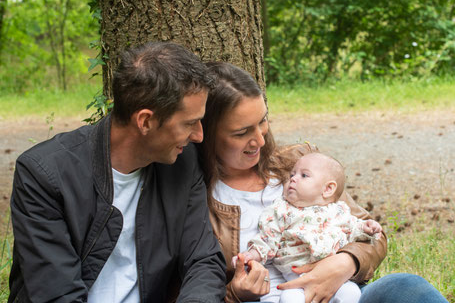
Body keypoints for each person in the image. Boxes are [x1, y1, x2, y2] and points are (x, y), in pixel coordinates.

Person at [198, 61, 449, 303]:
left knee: (407, 287)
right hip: (273, 297)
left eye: (262, 121)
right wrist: (234, 295)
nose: (260, 141)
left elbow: (371, 236)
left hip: (342, 293)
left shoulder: (299, 162)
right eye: (242, 133)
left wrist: (345, 262)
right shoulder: (197, 198)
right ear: (205, 133)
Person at [9, 42, 226, 303]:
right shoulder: (43, 174)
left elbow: (203, 261)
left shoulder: (182, 162)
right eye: (190, 123)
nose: (199, 136)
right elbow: (57, 294)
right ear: (145, 121)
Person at [234, 152, 382, 303]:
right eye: (292, 174)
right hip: (294, 279)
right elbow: (267, 238)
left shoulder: (338, 211)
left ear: (328, 189)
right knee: (289, 299)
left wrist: (367, 228)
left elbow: (353, 229)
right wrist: (252, 254)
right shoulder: (281, 210)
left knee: (351, 292)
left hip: (333, 278)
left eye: (304, 175)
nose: (293, 178)